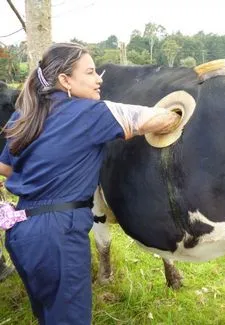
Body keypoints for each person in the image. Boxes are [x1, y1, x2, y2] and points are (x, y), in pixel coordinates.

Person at [0, 42, 181, 325]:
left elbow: (6, 167)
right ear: (65, 80)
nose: (99, 79)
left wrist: (46, 177)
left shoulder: (24, 114)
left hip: (21, 230)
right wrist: (180, 108)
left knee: (49, 315)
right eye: (91, 72)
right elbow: (159, 120)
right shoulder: (90, 114)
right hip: (58, 234)